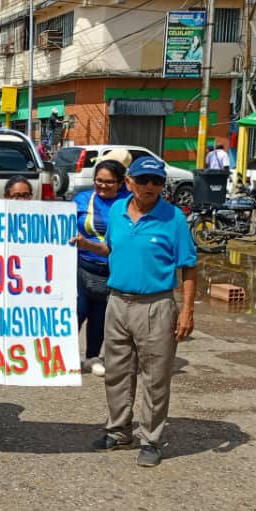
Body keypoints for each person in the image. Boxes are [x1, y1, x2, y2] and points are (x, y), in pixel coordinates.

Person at [72, 156, 197, 468]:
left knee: (155, 377)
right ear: (130, 182)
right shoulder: (117, 210)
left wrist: (187, 312)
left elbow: (190, 266)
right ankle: (118, 431)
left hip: (155, 304)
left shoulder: (174, 218)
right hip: (118, 301)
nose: (149, 187)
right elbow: (111, 249)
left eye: (156, 181)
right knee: (116, 372)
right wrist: (86, 244)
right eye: (143, 180)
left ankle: (151, 440)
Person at [71, 159, 128, 378]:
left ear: (121, 182)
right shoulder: (81, 200)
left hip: (112, 272)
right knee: (77, 313)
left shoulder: (128, 204)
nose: (103, 186)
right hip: (81, 267)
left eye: (109, 182)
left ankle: (92, 357)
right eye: (99, 181)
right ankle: (64, 356)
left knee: (100, 317)